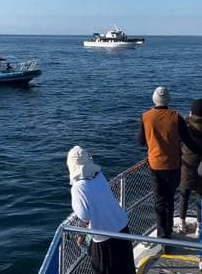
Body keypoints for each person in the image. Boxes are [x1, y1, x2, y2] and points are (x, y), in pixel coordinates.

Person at [138, 86, 202, 239]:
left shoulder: (146, 117)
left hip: (155, 165)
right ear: (169, 100)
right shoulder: (176, 117)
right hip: (174, 165)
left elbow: (140, 141)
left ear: (154, 100)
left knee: (159, 202)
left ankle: (163, 234)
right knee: (170, 199)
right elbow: (188, 140)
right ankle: (169, 229)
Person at [67, 146, 136, 274]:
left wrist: (80, 238)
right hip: (123, 228)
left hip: (104, 240)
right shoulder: (99, 176)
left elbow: (85, 217)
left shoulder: (78, 188)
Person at [179, 99, 202, 234]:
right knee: (200, 197)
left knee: (184, 194)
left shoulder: (186, 127)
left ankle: (182, 223)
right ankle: (199, 225)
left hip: (186, 165)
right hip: (201, 168)